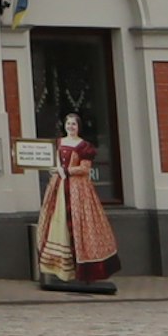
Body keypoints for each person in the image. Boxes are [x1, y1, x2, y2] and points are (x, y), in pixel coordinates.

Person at [35, 112, 118, 291]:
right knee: (57, 223)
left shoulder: (84, 146)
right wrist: (56, 171)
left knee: (81, 225)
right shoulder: (59, 143)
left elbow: (85, 169)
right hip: (58, 188)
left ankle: (84, 270)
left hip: (77, 189)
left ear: (78, 127)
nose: (70, 127)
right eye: (68, 124)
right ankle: (59, 269)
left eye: (74, 124)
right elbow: (55, 163)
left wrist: (66, 171)